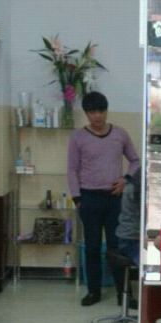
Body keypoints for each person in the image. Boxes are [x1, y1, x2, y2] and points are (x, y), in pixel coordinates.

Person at [67, 91, 140, 306]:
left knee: (117, 248)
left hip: (115, 199)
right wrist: (77, 198)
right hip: (89, 198)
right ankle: (94, 291)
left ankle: (123, 294)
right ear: (86, 114)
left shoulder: (120, 134)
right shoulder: (78, 138)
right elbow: (72, 170)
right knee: (92, 247)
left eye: (101, 111)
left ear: (106, 111)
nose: (97, 116)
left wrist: (126, 179)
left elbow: (135, 161)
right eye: (92, 112)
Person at [115, 166, 141, 266]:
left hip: (128, 237)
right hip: (131, 239)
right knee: (148, 263)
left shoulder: (132, 186)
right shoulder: (135, 189)